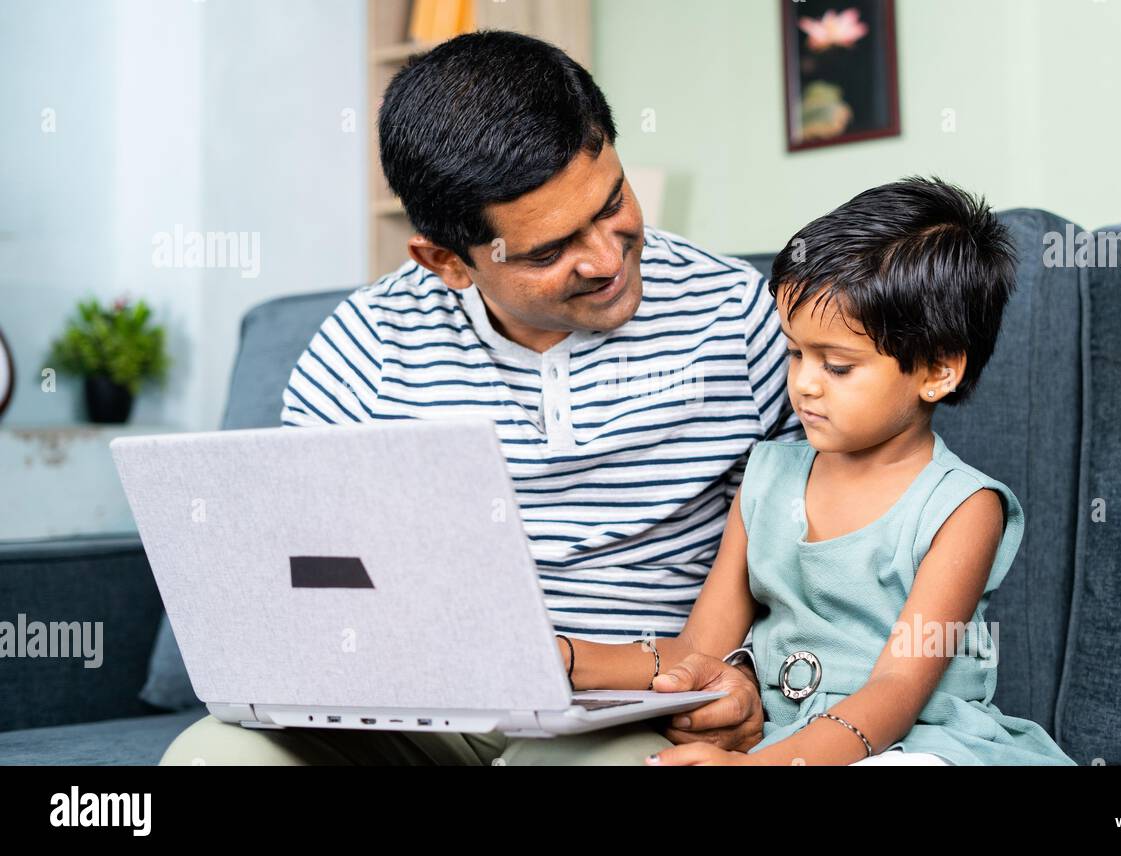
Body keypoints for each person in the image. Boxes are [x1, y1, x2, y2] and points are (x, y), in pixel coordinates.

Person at [159, 30, 801, 766]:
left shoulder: (740, 317)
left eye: (612, 202)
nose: (605, 258)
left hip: (639, 704)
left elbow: (828, 538)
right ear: (446, 262)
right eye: (549, 250)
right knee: (213, 759)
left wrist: (743, 675)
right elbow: (305, 585)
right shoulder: (360, 350)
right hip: (420, 706)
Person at [558, 177, 1078, 765]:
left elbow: (896, 689)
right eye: (795, 352)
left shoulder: (962, 507)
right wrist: (563, 656)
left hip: (916, 742)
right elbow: (699, 646)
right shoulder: (768, 475)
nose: (804, 383)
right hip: (786, 739)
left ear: (936, 371)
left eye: (837, 365)